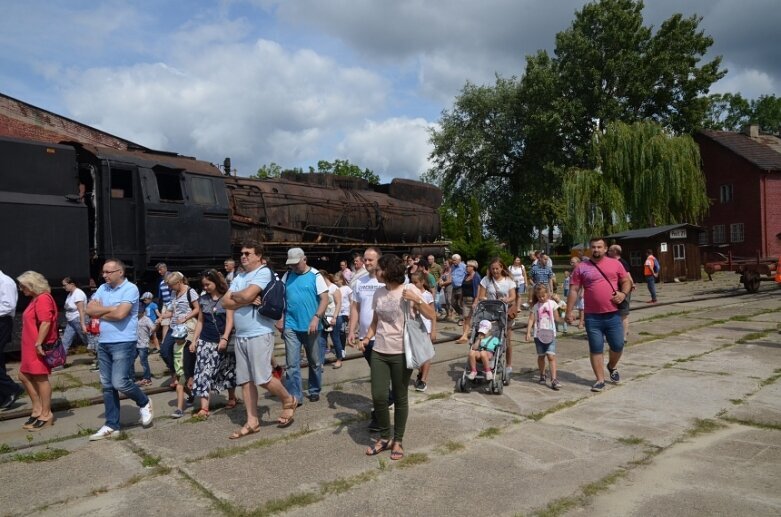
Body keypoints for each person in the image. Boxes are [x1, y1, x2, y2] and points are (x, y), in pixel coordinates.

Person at [361, 254, 435, 461]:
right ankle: (385, 437)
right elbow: (376, 321)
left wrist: (417, 300)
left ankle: (398, 440)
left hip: (402, 352)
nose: (375, 273)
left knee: (401, 397)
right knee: (379, 396)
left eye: (378, 269)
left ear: (389, 271)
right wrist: (367, 338)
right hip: (379, 351)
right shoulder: (378, 293)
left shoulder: (408, 290)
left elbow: (432, 315)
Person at [222, 242, 298, 438]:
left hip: (259, 332)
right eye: (242, 253)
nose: (243, 256)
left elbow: (241, 296)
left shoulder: (263, 273)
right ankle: (252, 421)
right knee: (245, 381)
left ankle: (288, 399)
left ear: (258, 256)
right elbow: (224, 302)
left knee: (262, 378)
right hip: (241, 335)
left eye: (248, 253)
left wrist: (240, 297)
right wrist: (245, 299)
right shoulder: (240, 276)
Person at [86, 259, 153, 440]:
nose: (105, 275)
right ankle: (111, 424)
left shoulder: (130, 289)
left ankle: (144, 401)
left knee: (120, 382)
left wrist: (101, 311)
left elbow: (120, 314)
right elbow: (89, 309)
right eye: (104, 272)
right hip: (104, 342)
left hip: (123, 341)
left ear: (120, 272)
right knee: (107, 386)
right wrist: (109, 309)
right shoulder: (102, 288)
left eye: (109, 272)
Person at [565, 238, 631, 392]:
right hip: (592, 316)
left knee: (618, 345)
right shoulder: (581, 267)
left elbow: (626, 281)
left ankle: (611, 366)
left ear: (605, 248)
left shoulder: (615, 264)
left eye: (599, 247)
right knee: (596, 347)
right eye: (593, 247)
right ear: (590, 249)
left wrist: (623, 293)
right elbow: (574, 290)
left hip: (613, 314)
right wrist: (569, 311)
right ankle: (600, 380)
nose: (596, 249)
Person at [280, 248, 328, 404]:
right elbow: (279, 298)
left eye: (296, 264)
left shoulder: (315, 276)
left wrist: (316, 318)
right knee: (292, 364)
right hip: (291, 325)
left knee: (314, 362)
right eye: (291, 264)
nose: (293, 267)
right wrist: (279, 318)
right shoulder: (287, 276)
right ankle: (296, 396)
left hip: (311, 327)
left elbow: (324, 299)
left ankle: (314, 389)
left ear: (304, 259)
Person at [347, 247, 386, 431]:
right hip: (365, 338)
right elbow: (355, 308)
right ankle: (386, 404)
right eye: (365, 259)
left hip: (385, 337)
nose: (367, 262)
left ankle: (378, 416)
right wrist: (351, 330)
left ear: (379, 260)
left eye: (370, 260)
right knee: (379, 378)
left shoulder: (386, 280)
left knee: (380, 379)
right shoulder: (359, 282)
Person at [191, 269, 235, 419]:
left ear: (216, 282)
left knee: (227, 370)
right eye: (203, 285)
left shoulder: (226, 298)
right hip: (206, 341)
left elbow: (230, 320)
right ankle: (204, 408)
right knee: (203, 373)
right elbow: (201, 321)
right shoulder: (203, 300)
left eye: (208, 284)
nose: (205, 287)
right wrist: (194, 340)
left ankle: (232, 397)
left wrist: (225, 338)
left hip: (222, 340)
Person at [16, 271, 57, 430]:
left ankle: (46, 414)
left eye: (23, 285)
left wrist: (39, 343)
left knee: (40, 378)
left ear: (32, 285)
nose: (21, 289)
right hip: (30, 345)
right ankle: (37, 408)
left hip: (36, 346)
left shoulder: (43, 299)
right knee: (23, 375)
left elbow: (46, 322)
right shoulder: (36, 299)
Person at [166, 271, 200, 418]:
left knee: (186, 366)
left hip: (186, 330)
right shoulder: (174, 294)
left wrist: (185, 317)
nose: (170, 288)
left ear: (179, 282)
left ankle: (186, 379)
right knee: (165, 350)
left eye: (172, 285)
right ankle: (178, 375)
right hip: (175, 330)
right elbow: (170, 310)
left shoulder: (190, 292)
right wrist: (160, 317)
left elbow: (198, 309)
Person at [475, 258, 517, 374]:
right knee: (488, 337)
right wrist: (487, 299)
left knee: (507, 339)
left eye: (497, 268)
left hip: (504, 313)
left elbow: (513, 296)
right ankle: (488, 360)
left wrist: (506, 299)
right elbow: (481, 296)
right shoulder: (486, 280)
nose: (495, 271)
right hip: (489, 313)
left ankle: (508, 364)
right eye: (492, 269)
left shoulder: (508, 281)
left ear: (501, 268)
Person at [526, 284, 562, 390]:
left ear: (548, 293)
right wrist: (528, 332)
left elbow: (557, 318)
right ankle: (542, 374)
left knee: (551, 356)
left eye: (543, 295)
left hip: (550, 334)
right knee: (541, 356)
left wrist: (565, 318)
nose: (542, 298)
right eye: (539, 296)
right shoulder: (536, 306)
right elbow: (531, 319)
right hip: (539, 335)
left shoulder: (552, 303)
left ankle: (554, 379)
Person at [409, 270, 436, 392]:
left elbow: (433, 314)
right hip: (415, 327)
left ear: (422, 282)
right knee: (416, 354)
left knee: (426, 354)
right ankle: (420, 372)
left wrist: (433, 330)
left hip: (426, 327)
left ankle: (423, 380)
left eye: (416, 282)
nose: (414, 285)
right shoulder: (410, 294)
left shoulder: (427, 295)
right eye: (412, 282)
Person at [0, 268, 22, 409]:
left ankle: (11, 388)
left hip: (2, 322)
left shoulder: (5, 282)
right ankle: (4, 394)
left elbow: (8, 306)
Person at [608, 244, 635, 343]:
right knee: (617, 314)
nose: (608, 252)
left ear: (615, 252)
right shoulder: (617, 262)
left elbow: (627, 276)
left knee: (623, 314)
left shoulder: (620, 263)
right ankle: (620, 333)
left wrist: (630, 286)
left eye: (610, 250)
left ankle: (623, 337)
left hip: (622, 292)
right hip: (617, 291)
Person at [318, 270, 343, 370]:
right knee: (321, 340)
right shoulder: (322, 289)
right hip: (324, 318)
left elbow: (338, 303)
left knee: (335, 339)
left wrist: (335, 317)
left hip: (334, 317)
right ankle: (320, 362)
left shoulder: (334, 288)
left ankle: (339, 359)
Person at [61, 277, 88, 354]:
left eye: (65, 285)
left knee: (87, 340)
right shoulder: (70, 294)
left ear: (72, 284)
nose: (63, 287)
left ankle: (99, 357)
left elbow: (81, 310)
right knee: (65, 341)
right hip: (71, 321)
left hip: (78, 319)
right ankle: (60, 361)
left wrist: (83, 324)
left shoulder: (78, 293)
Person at [456, 260, 481, 343]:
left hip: (472, 299)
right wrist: (461, 298)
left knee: (473, 318)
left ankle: (473, 335)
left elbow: (478, 289)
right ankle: (464, 335)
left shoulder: (476, 276)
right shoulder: (466, 276)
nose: (466, 267)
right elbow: (463, 288)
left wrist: (476, 300)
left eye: (468, 266)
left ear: (473, 267)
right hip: (465, 299)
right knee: (466, 317)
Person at [333, 273, 352, 369]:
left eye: (337, 281)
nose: (336, 282)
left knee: (342, 331)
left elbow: (351, 300)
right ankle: (341, 349)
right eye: (334, 281)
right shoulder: (336, 289)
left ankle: (343, 348)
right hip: (338, 312)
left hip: (345, 312)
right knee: (340, 331)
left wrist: (350, 313)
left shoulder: (347, 288)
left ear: (341, 280)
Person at [135, 310, 155, 386]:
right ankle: (131, 378)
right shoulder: (134, 319)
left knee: (143, 362)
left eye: (139, 311)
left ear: (142, 312)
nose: (137, 313)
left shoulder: (147, 319)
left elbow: (153, 328)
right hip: (135, 344)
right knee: (130, 360)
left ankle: (148, 379)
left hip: (143, 344)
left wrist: (150, 333)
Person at [450, 254, 466, 321]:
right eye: (453, 260)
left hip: (461, 287)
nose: (453, 262)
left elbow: (467, 275)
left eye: (455, 260)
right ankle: (462, 314)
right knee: (453, 303)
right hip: (454, 287)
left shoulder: (464, 266)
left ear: (459, 260)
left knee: (461, 303)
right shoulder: (452, 266)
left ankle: (463, 318)